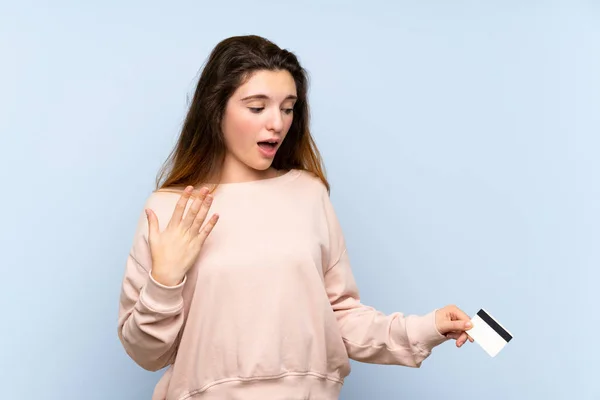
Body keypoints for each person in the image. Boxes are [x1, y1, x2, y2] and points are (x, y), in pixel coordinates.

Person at [117, 34, 474, 400]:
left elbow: (340, 317)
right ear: (215, 109)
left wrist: (425, 329)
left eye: (288, 108)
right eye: (257, 108)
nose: (277, 123)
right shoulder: (167, 208)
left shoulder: (309, 194)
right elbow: (146, 353)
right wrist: (165, 279)